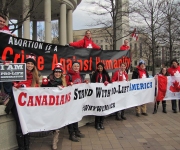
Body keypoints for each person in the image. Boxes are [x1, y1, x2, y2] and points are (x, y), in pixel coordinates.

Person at [12, 53, 40, 150]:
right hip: (17, 104)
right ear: (25, 64)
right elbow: (10, 82)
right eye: (28, 63)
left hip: (28, 105)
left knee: (27, 124)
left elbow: (37, 88)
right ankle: (21, 147)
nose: (30, 65)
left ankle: (26, 147)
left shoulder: (35, 76)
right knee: (19, 125)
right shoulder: (17, 73)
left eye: (32, 64)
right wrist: (17, 85)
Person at [41, 63, 66, 150]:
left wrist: (67, 87)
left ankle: (54, 142)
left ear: (61, 73)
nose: (57, 74)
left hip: (59, 107)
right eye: (56, 72)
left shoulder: (63, 81)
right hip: (50, 106)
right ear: (53, 72)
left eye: (59, 72)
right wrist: (44, 84)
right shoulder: (49, 79)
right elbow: (41, 91)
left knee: (57, 126)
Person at [65, 61, 88, 142]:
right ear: (72, 67)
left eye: (77, 66)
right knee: (71, 117)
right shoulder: (69, 75)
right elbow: (65, 84)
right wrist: (69, 84)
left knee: (76, 115)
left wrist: (85, 83)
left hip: (77, 100)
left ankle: (76, 131)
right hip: (71, 100)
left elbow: (80, 83)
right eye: (74, 66)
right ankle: (71, 134)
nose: (76, 67)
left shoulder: (80, 75)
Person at [91, 62, 110, 130]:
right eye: (99, 67)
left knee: (103, 108)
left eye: (101, 67)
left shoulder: (106, 73)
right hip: (97, 94)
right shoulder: (95, 74)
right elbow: (92, 82)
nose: (100, 68)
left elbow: (109, 81)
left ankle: (101, 123)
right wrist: (95, 83)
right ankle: (97, 123)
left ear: (103, 67)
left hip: (104, 94)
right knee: (98, 108)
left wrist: (107, 82)